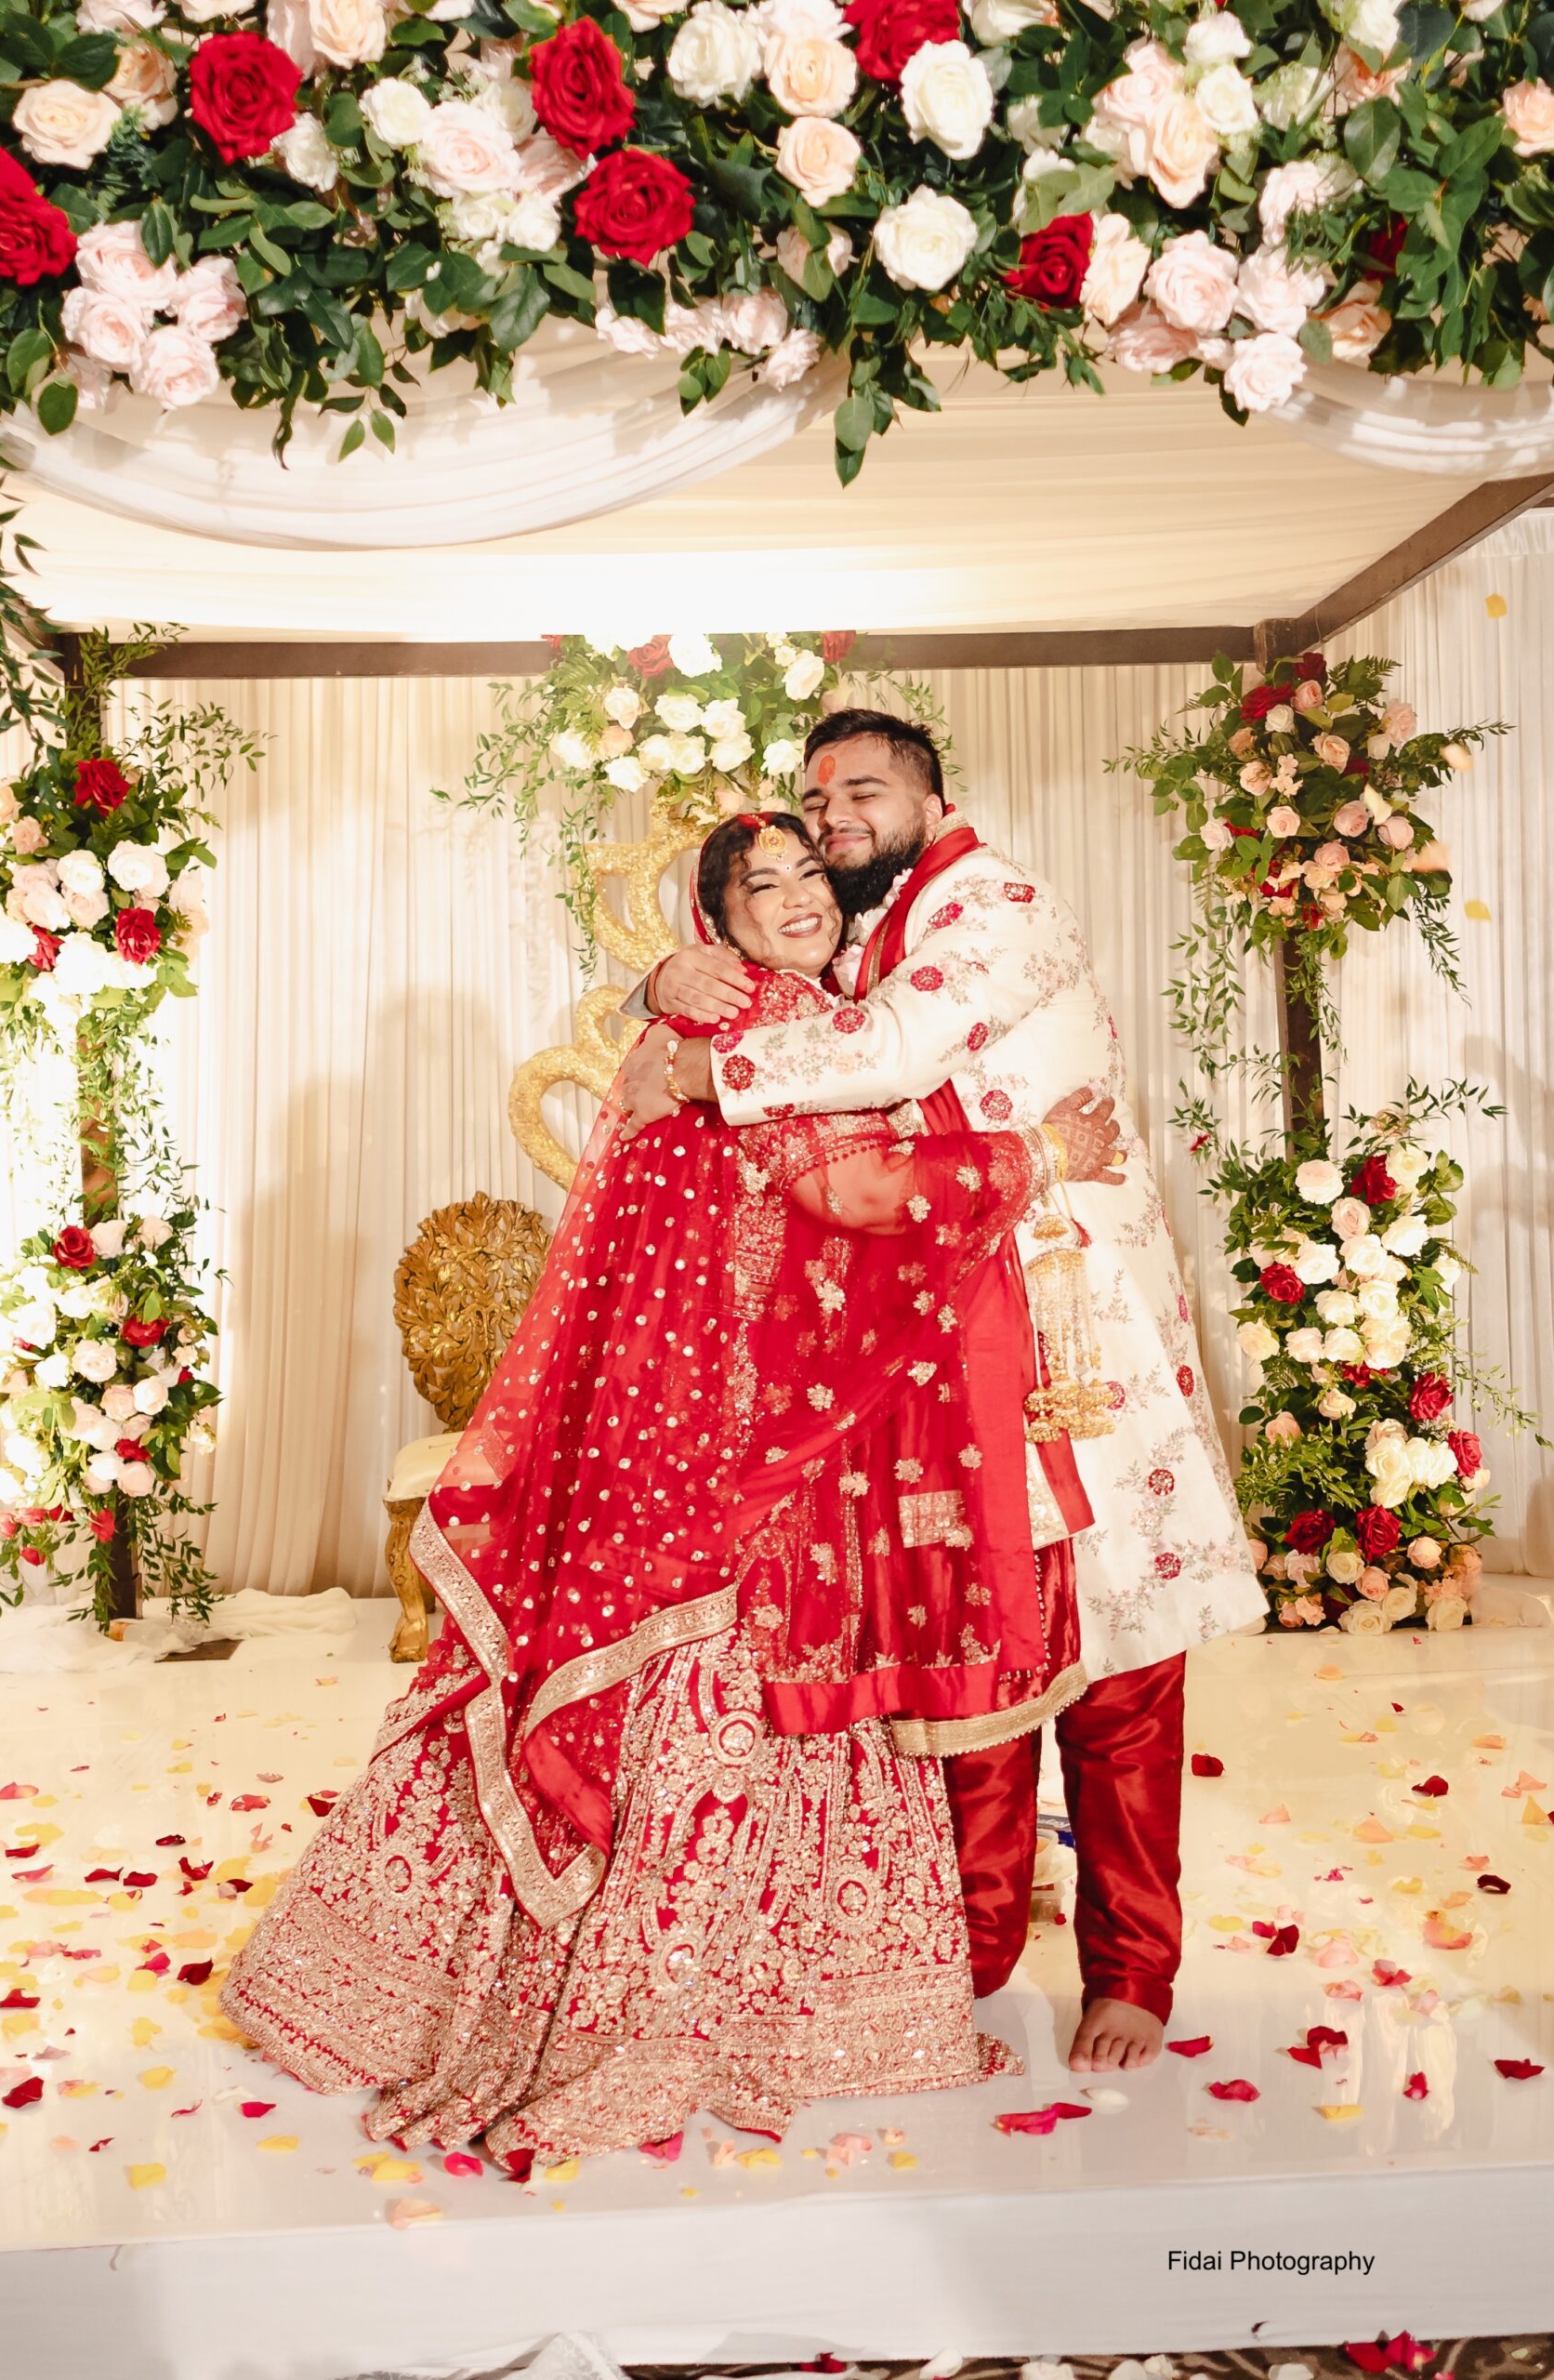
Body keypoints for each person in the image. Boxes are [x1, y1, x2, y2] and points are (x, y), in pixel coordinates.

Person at [221, 813, 1121, 2162]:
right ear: (715, 925)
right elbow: (866, 1193)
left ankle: (417, 1982)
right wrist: (1045, 1156)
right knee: (740, 1699)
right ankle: (717, 2012)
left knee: (701, 1692)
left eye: (811, 872)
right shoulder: (752, 1023)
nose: (801, 898)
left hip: (725, 1433)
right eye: (761, 887)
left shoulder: (793, 1017)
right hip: (735, 1453)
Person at [615, 714, 1268, 2075]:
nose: (834, 816)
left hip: (1082, 1337)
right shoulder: (854, 928)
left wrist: (708, 1067)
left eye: (863, 790)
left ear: (931, 793)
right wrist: (662, 993)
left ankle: (1133, 1971)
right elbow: (788, 985)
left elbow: (899, 1049)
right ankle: (958, 1959)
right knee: (971, 1654)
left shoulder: (999, 905)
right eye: (814, 797)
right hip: (945, 1347)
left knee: (1120, 1656)